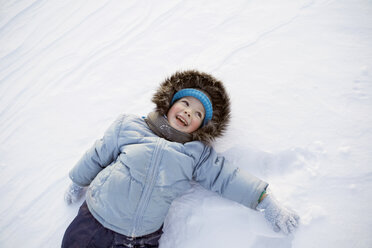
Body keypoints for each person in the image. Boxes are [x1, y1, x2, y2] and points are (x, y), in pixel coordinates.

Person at [62, 70, 299, 248]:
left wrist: (263, 199)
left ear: (202, 127)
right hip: (94, 218)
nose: (188, 112)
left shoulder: (196, 155)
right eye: (185, 103)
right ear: (169, 103)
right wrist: (78, 180)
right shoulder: (131, 127)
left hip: (139, 238)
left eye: (198, 113)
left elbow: (227, 178)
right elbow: (97, 154)